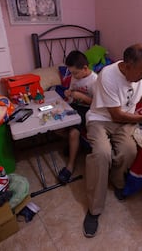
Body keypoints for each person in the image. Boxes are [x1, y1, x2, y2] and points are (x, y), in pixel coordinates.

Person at [83, 43, 142, 238]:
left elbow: (141, 94)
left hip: (124, 120)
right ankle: (94, 210)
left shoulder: (139, 74)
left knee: (129, 151)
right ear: (127, 66)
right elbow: (115, 115)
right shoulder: (107, 75)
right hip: (101, 120)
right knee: (101, 154)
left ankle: (117, 181)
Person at [57, 50, 98, 183]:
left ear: (85, 68)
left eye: (75, 73)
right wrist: (69, 93)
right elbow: (73, 91)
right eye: (71, 73)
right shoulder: (75, 77)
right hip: (75, 106)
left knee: (74, 133)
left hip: (89, 109)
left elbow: (98, 105)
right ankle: (75, 144)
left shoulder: (95, 80)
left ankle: (70, 166)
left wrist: (83, 97)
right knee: (56, 124)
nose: (73, 76)